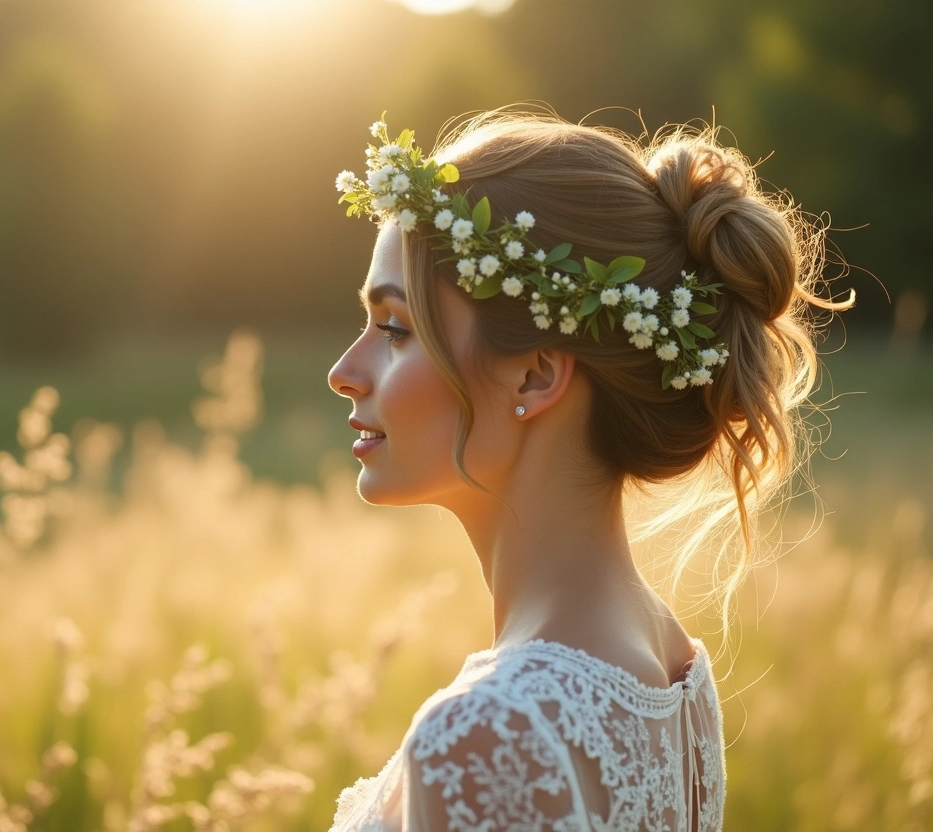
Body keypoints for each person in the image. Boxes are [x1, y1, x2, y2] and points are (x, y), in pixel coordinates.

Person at [325, 109, 849, 832]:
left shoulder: (490, 736)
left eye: (394, 329)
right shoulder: (671, 668)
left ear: (537, 376)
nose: (344, 373)